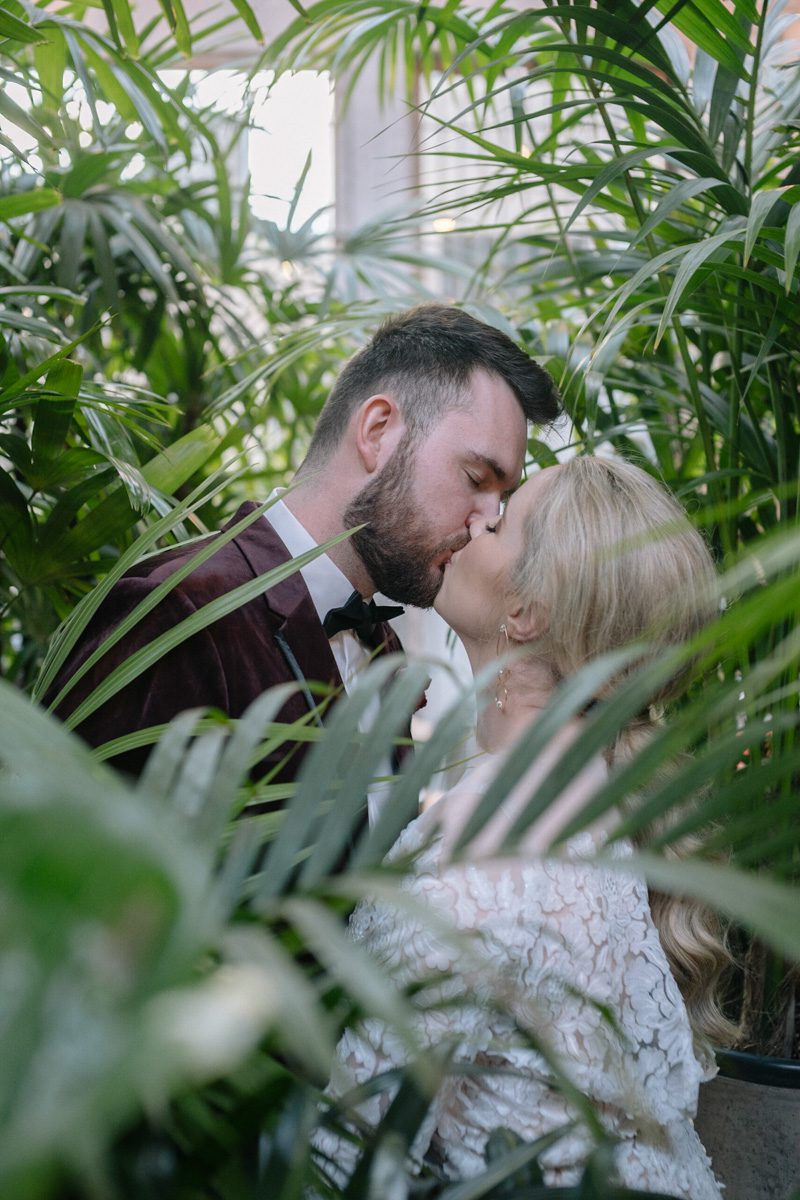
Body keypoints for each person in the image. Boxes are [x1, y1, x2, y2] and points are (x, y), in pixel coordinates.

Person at [314, 457, 737, 1197]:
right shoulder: (597, 807)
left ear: (527, 614)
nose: (477, 518)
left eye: (501, 518)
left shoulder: (485, 856)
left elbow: (346, 1158)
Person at [47, 304, 560, 797]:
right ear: (378, 431)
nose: (486, 522)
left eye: (503, 498)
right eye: (476, 478)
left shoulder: (382, 645)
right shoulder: (180, 615)